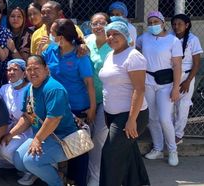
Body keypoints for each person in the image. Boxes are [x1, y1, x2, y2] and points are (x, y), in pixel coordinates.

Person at [7, 55, 78, 186]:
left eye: (36, 68)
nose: (32, 72)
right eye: (29, 69)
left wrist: (37, 140)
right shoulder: (29, 89)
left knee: (31, 161)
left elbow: (54, 119)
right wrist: (11, 134)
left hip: (62, 138)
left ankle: (58, 183)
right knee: (18, 160)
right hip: (43, 137)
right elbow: (27, 117)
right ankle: (56, 175)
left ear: (46, 69)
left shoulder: (54, 89)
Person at [43, 19, 96, 186]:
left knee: (78, 148)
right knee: (57, 145)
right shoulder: (51, 50)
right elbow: (39, 67)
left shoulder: (80, 55)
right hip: (55, 106)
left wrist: (92, 108)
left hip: (77, 107)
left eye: (52, 32)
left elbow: (89, 84)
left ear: (61, 36)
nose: (49, 35)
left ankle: (78, 182)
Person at [98, 22, 150, 186]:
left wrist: (131, 119)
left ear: (126, 36)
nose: (111, 37)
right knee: (129, 155)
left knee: (110, 154)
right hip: (112, 114)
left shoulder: (133, 56)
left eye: (116, 34)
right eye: (109, 34)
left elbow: (139, 89)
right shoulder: (110, 55)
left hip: (130, 115)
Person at [136, 11, 182, 167]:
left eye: (156, 22)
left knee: (164, 118)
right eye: (150, 22)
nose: (153, 25)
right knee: (152, 118)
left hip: (165, 83)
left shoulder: (173, 41)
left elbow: (177, 65)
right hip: (148, 82)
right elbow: (134, 49)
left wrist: (176, 88)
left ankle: (173, 150)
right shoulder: (143, 38)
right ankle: (157, 148)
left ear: (163, 23)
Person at [0, 59, 35, 185]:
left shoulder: (31, 89)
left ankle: (33, 171)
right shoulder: (6, 88)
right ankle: (22, 167)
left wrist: (10, 135)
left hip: (28, 130)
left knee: (6, 149)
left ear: (24, 73)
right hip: (11, 126)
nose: (11, 72)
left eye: (15, 69)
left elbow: (28, 119)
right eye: (9, 70)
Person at [84, 12, 111, 186]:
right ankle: (84, 174)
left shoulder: (115, 43)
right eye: (94, 23)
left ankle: (94, 178)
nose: (98, 26)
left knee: (99, 139)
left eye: (102, 23)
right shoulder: (86, 42)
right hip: (87, 98)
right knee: (86, 138)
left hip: (108, 99)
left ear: (108, 25)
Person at [171, 14, 203, 145]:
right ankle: (169, 132)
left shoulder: (193, 39)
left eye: (179, 24)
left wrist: (188, 81)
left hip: (186, 76)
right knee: (169, 105)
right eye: (174, 24)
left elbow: (196, 64)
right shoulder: (169, 38)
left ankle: (178, 134)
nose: (176, 27)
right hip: (171, 76)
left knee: (183, 106)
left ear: (187, 25)